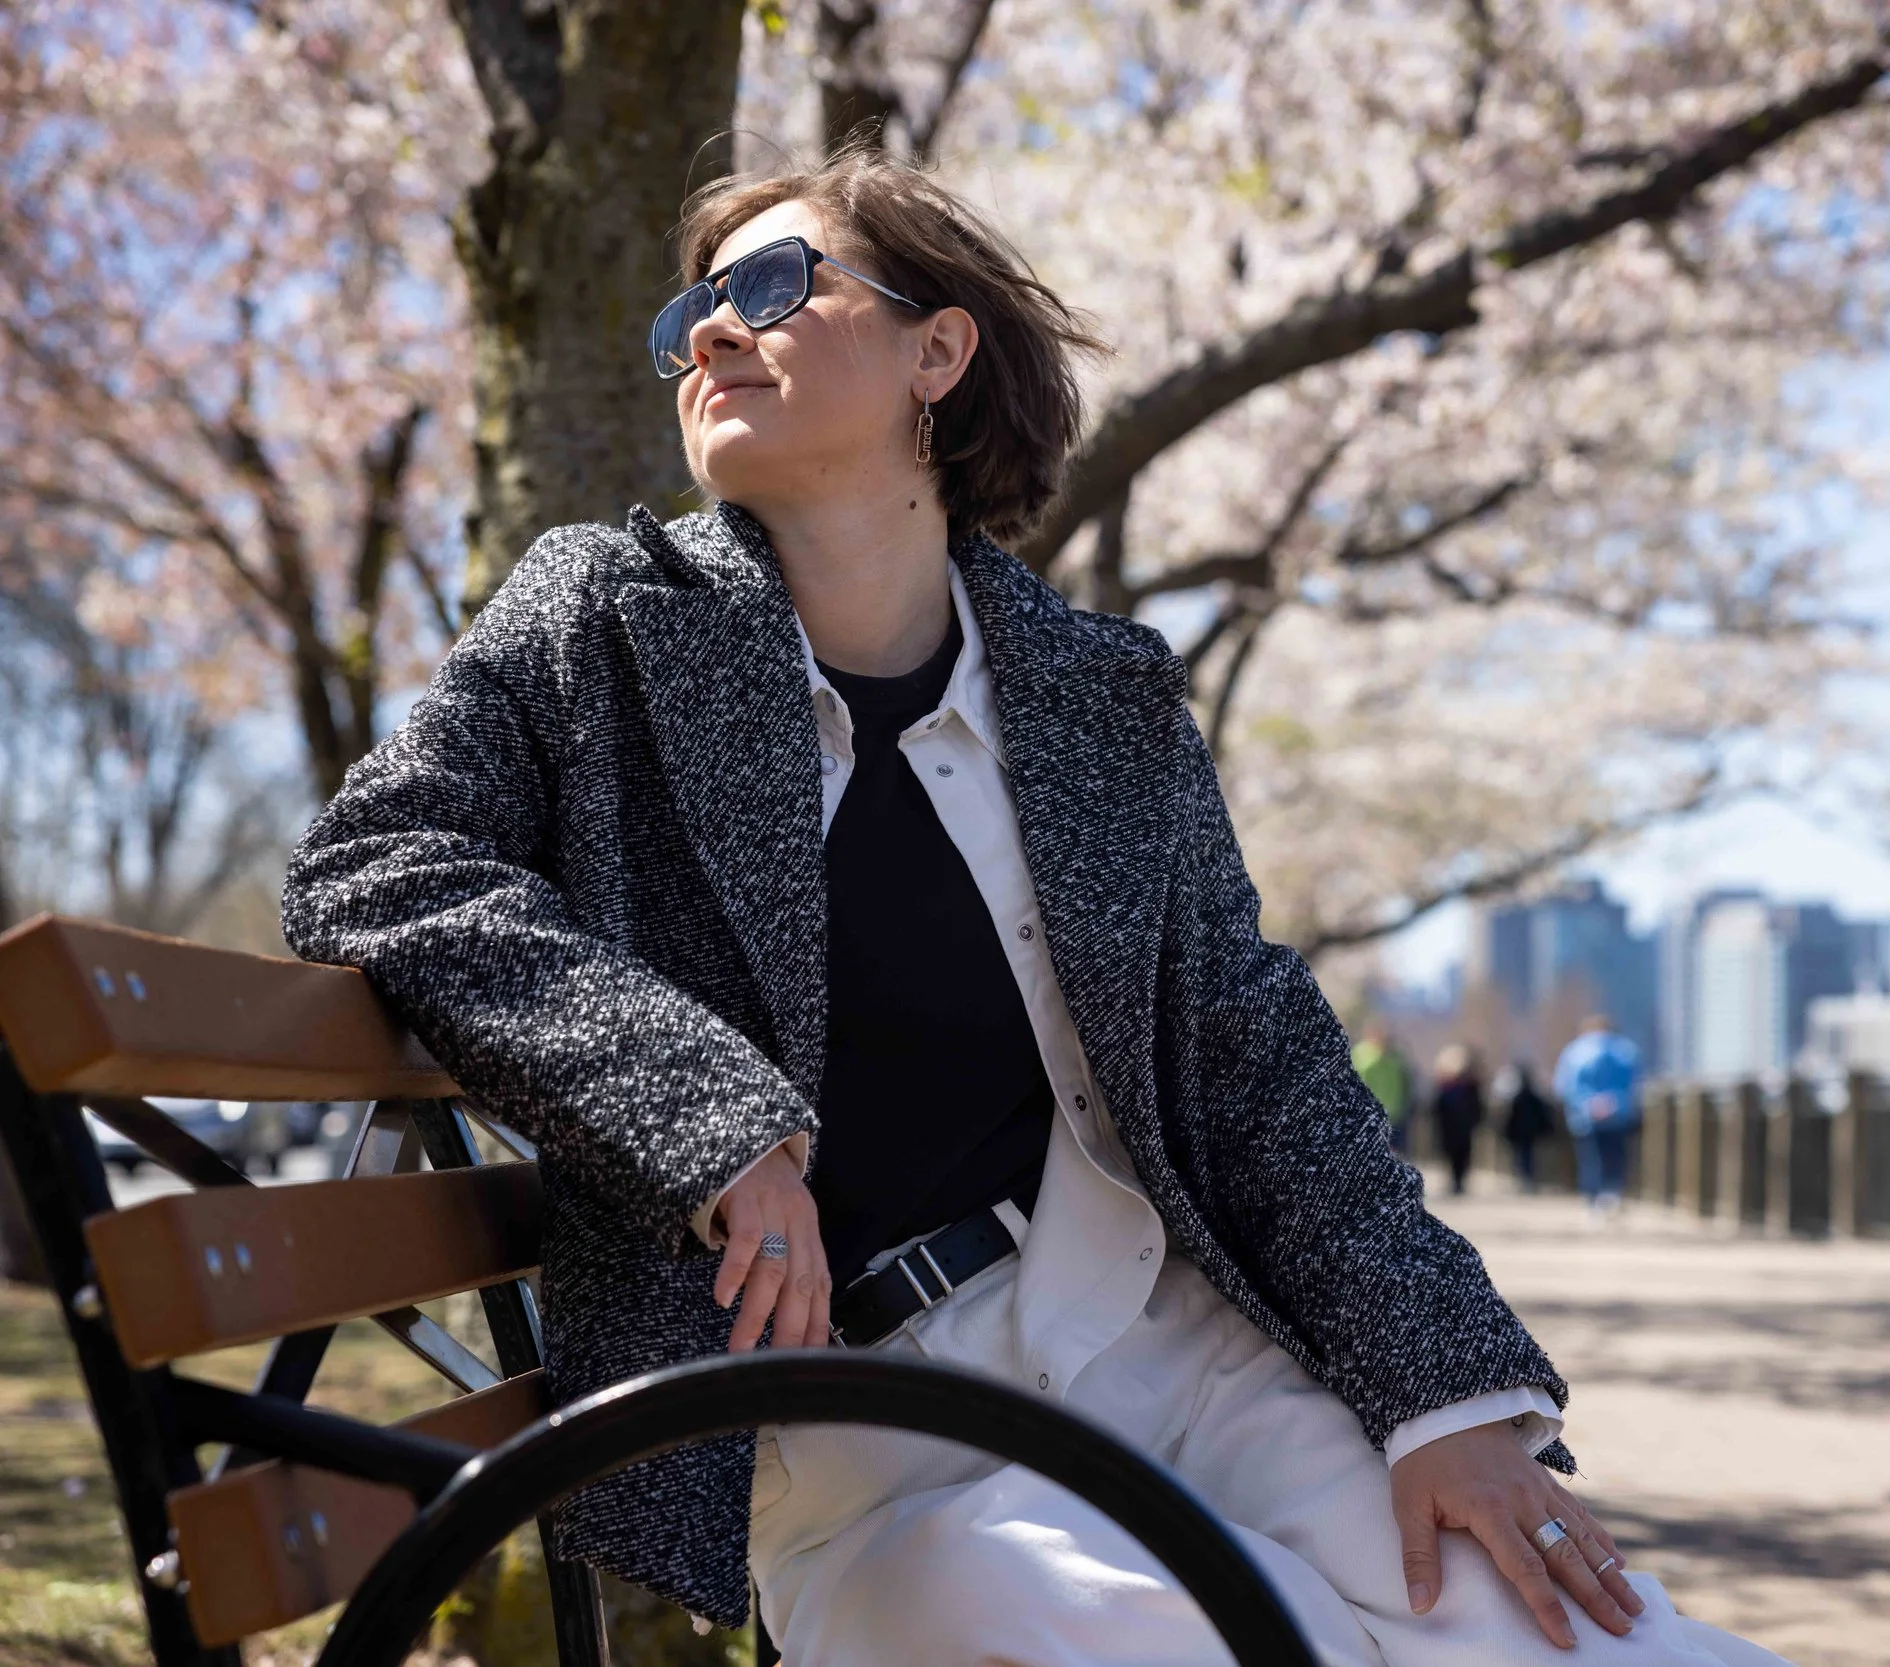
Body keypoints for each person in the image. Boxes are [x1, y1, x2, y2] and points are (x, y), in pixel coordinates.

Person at [281, 137, 1790, 1667]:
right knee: (1148, 1635)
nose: (711, 334)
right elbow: (375, 861)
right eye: (691, 319)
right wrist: (709, 1114)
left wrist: (1442, 1394)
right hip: (851, 1441)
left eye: (774, 286)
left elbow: (1255, 1059)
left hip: (1167, 1343)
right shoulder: (599, 621)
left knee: (1556, 1627)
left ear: (939, 348)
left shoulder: (1101, 695)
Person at [1554, 1016, 1643, 1217]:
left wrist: (1589, 1104)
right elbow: (1635, 1084)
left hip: (1585, 1118)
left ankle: (1593, 1201)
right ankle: (1612, 1195)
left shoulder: (1575, 1051)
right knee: (1616, 1158)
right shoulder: (1626, 1050)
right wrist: (1614, 1103)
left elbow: (1564, 1086)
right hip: (1619, 1116)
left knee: (1591, 1159)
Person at [1350, 1022, 1417, 1157]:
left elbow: (1406, 1081)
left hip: (1395, 1113)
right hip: (1368, 1113)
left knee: (1396, 1154)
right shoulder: (1359, 1055)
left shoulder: (1396, 1055)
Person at [1429, 1044, 1486, 1197]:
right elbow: (1437, 1107)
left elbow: (1478, 1106)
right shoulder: (1445, 1086)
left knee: (1463, 1153)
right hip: (1449, 1125)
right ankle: (1454, 1180)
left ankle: (1459, 1181)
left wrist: (1476, 1120)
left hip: (1464, 1126)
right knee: (1450, 1153)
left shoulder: (1471, 1086)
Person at [1495, 1062, 1559, 1193]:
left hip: (1521, 1132)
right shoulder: (1533, 1096)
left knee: (1521, 1157)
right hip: (1529, 1132)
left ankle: (1524, 1179)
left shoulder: (1517, 1097)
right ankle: (1527, 1179)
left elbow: (1509, 1117)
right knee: (1528, 1156)